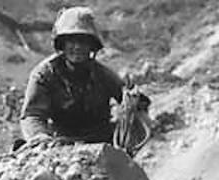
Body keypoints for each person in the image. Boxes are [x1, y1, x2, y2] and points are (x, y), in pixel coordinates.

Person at [20, 6, 149, 144]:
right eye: (71, 40)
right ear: (62, 44)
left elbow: (135, 102)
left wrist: (133, 104)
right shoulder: (44, 75)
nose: (77, 47)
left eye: (83, 41)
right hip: (60, 142)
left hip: (101, 141)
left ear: (91, 46)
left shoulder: (103, 75)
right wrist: (40, 137)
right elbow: (32, 115)